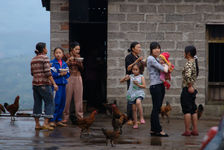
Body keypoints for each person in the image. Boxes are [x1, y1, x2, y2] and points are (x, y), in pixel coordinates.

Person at [31, 42, 58, 130]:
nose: (47, 49)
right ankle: (46, 123)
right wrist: (54, 83)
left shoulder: (33, 59)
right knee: (49, 102)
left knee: (37, 103)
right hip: (44, 84)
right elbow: (48, 73)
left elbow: (32, 73)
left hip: (35, 84)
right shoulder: (45, 58)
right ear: (43, 49)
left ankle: (37, 124)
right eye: (46, 48)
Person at [147, 42, 169, 137]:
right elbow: (164, 69)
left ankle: (153, 129)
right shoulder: (151, 58)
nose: (157, 50)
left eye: (158, 48)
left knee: (156, 109)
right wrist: (167, 65)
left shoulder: (156, 59)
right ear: (151, 50)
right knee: (156, 109)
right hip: (156, 86)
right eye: (155, 48)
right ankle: (158, 130)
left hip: (159, 85)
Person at [62, 41, 84, 123]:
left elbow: (82, 69)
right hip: (69, 77)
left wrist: (79, 62)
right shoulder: (66, 56)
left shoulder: (79, 57)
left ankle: (80, 117)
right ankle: (65, 117)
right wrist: (68, 60)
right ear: (72, 49)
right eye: (76, 49)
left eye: (78, 49)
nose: (78, 51)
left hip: (78, 77)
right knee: (67, 98)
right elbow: (62, 66)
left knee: (78, 98)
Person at [180, 45, 199, 136]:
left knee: (187, 110)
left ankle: (187, 130)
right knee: (193, 109)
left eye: (184, 52)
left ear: (188, 54)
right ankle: (195, 130)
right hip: (192, 88)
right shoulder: (194, 62)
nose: (183, 54)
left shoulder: (188, 63)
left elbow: (187, 75)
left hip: (187, 88)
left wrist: (189, 85)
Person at [120, 62, 146, 129]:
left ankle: (141, 117)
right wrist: (124, 78)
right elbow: (121, 81)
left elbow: (144, 86)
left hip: (139, 92)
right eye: (133, 69)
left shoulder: (141, 77)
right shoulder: (131, 76)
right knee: (134, 109)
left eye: (136, 69)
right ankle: (135, 123)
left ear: (140, 70)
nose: (134, 71)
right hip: (132, 94)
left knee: (138, 102)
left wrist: (138, 85)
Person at [49, 47, 70, 127]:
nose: (58, 54)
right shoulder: (52, 63)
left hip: (63, 85)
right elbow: (51, 74)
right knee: (55, 102)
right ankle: (52, 120)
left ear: (62, 54)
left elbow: (68, 74)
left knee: (62, 102)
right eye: (56, 53)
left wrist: (65, 74)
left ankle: (59, 119)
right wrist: (59, 74)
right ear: (54, 54)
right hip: (56, 85)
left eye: (60, 53)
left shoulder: (64, 63)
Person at [125, 41, 143, 125]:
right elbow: (128, 69)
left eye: (140, 47)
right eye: (138, 47)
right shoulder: (129, 57)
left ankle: (134, 119)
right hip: (131, 80)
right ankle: (129, 118)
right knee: (131, 99)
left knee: (137, 99)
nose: (140, 49)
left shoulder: (138, 57)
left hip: (138, 80)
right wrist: (137, 61)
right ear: (133, 49)